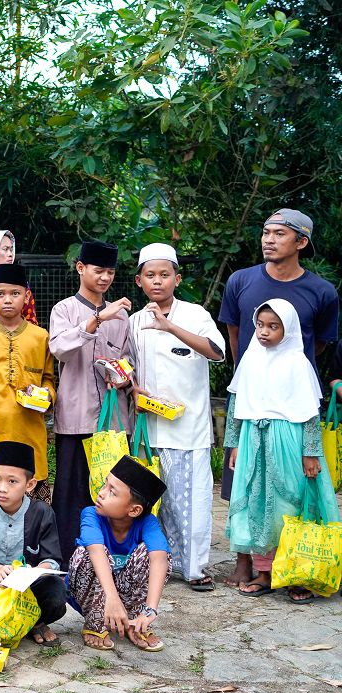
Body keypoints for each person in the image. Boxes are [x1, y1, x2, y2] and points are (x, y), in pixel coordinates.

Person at [217, 208, 337, 588]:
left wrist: (285, 368)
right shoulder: (240, 281)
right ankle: (245, 562)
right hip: (253, 412)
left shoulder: (321, 292)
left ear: (301, 242)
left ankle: (292, 568)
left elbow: (317, 346)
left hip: (288, 423)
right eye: (266, 232)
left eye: (279, 234)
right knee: (246, 491)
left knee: (290, 495)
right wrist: (255, 370)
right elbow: (236, 336)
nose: (269, 239)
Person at [224, 300, 339, 603]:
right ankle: (265, 574)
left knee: (291, 503)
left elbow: (310, 412)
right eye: (260, 325)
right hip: (253, 438)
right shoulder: (250, 357)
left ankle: (296, 574)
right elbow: (237, 403)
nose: (263, 332)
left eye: (273, 326)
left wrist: (311, 452)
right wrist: (234, 444)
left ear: (288, 329)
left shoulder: (297, 362)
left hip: (288, 439)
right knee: (257, 504)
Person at [128, 244, 225, 591]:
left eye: (164, 275)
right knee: (156, 501)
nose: (157, 281)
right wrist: (134, 389)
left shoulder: (195, 314)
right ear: (139, 281)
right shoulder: (134, 321)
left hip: (189, 427)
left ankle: (195, 568)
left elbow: (217, 352)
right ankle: (161, 562)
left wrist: (169, 327)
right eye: (150, 275)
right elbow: (128, 367)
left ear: (177, 279)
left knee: (194, 501)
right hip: (149, 428)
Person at [48, 240, 133, 565]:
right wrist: (96, 320)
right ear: (81, 268)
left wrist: (123, 376)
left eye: (110, 272)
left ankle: (112, 554)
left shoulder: (122, 317)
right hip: (76, 417)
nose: (105, 278)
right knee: (71, 493)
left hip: (113, 423)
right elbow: (60, 349)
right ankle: (69, 557)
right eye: (98, 270)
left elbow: (127, 361)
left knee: (112, 490)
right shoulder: (64, 310)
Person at [0, 441, 66, 646]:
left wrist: (27, 575)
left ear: (30, 484)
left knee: (56, 592)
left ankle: (36, 622)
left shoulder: (42, 512)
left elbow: (51, 561)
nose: (2, 488)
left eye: (12, 482)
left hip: (29, 586)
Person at [0, 263, 56, 498]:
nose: (8, 300)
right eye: (0, 294)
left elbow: (49, 379)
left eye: (15, 294)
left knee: (32, 504)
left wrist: (47, 395)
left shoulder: (40, 336)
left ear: (26, 296)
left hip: (29, 428)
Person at [68, 456, 170, 652]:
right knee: (84, 554)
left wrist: (150, 609)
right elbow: (96, 551)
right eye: (105, 485)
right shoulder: (91, 514)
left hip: (127, 594)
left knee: (155, 555)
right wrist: (111, 598)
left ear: (134, 510)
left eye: (112, 492)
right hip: (94, 593)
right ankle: (94, 623)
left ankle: (136, 623)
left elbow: (159, 559)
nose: (101, 493)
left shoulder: (148, 522)